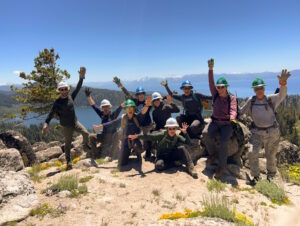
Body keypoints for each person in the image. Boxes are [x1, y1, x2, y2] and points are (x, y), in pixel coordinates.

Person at [239, 70, 290, 185]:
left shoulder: (270, 99)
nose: (259, 90)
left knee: (270, 156)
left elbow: (282, 95)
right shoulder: (251, 101)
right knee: (252, 153)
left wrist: (283, 84)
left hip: (272, 132)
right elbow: (241, 112)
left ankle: (271, 176)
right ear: (254, 90)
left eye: (261, 88)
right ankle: (256, 177)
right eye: (256, 89)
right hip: (257, 132)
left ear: (264, 88)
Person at [42, 67, 90, 170]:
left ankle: (85, 145)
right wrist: (46, 124)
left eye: (65, 89)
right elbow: (50, 114)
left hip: (75, 122)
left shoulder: (71, 97)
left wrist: (81, 77)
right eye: (61, 89)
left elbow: (78, 87)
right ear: (59, 91)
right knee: (67, 145)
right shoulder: (57, 102)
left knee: (86, 133)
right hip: (66, 126)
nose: (64, 91)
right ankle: (69, 163)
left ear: (67, 89)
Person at [128, 118, 198, 178]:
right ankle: (175, 163)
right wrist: (138, 136)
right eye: (170, 128)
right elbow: (150, 136)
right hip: (162, 157)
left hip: (172, 155)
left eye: (174, 128)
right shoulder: (162, 135)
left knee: (182, 148)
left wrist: (185, 133)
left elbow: (188, 143)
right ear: (167, 129)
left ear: (176, 128)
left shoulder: (177, 136)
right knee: (159, 166)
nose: (172, 130)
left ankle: (191, 168)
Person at [207, 59, 237, 179]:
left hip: (226, 124)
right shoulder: (215, 95)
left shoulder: (231, 98)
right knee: (206, 133)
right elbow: (210, 83)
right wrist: (210, 69)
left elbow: (234, 109)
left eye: (222, 87)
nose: (219, 89)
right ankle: (213, 154)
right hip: (215, 122)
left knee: (224, 142)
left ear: (226, 87)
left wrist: (232, 116)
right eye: (218, 87)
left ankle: (221, 167)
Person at [93, 99, 144, 168]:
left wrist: (146, 105)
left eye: (131, 107)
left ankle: (138, 154)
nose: (130, 110)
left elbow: (143, 114)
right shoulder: (123, 118)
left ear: (134, 109)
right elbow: (112, 123)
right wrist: (100, 126)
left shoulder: (137, 117)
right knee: (122, 163)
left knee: (137, 147)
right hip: (126, 141)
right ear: (126, 109)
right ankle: (127, 153)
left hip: (136, 139)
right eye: (128, 108)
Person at [113, 76, 153, 160]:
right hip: (138, 123)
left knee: (148, 139)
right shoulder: (135, 101)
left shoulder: (147, 103)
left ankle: (148, 154)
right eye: (139, 94)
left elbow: (144, 111)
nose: (141, 95)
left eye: (142, 94)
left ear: (144, 94)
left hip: (146, 123)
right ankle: (135, 151)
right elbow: (127, 93)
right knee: (136, 138)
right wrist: (120, 84)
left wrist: (147, 104)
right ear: (137, 95)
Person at [85, 87, 123, 159]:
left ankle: (112, 155)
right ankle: (95, 155)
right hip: (103, 137)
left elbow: (120, 107)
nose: (105, 108)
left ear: (110, 107)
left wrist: (126, 100)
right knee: (92, 137)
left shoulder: (113, 115)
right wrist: (88, 96)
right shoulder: (102, 114)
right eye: (104, 107)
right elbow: (93, 106)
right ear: (102, 108)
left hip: (112, 138)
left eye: (107, 107)